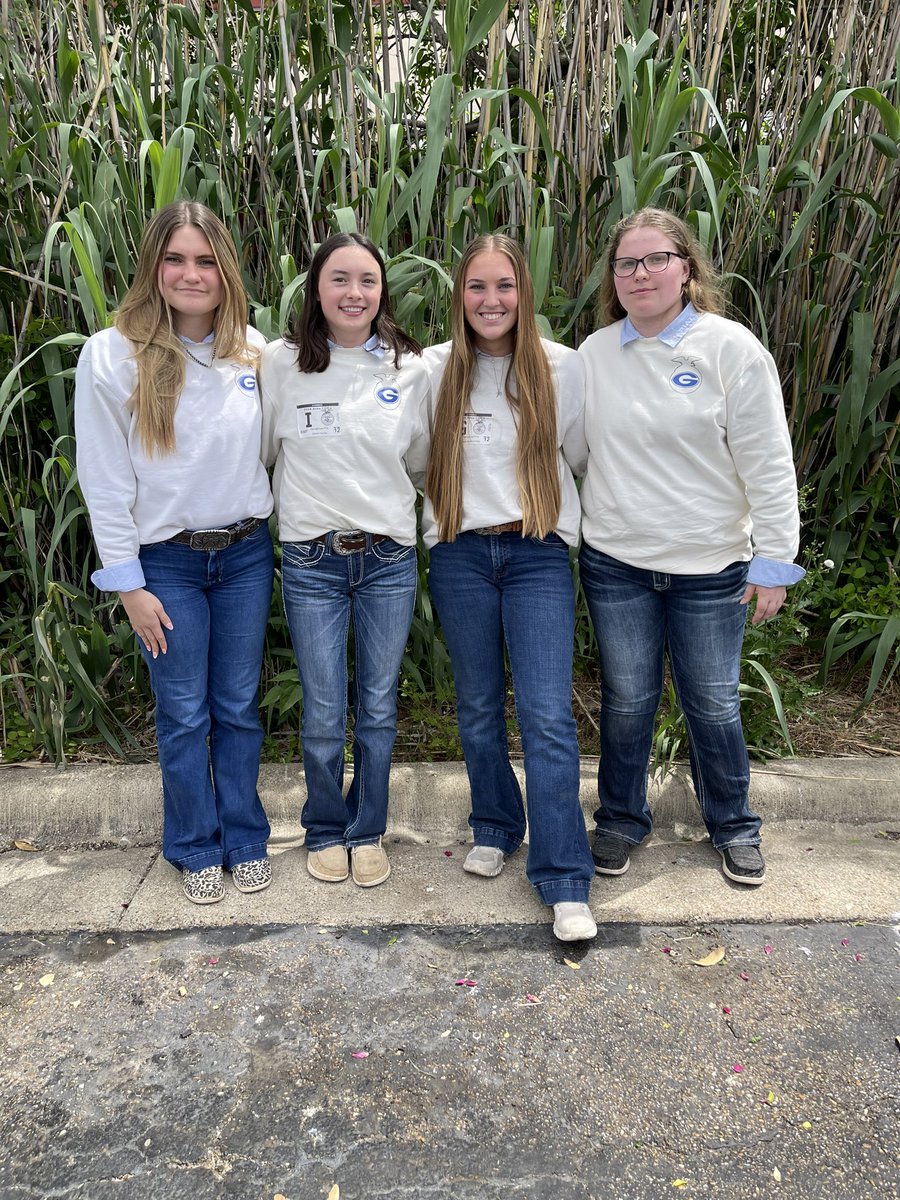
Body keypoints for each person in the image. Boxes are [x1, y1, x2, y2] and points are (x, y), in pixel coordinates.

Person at [578, 206, 805, 887]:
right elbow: (573, 452)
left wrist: (774, 561)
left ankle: (733, 824)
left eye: (656, 260)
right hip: (617, 564)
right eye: (626, 263)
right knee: (628, 699)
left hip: (710, 569)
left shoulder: (729, 350)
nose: (640, 274)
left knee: (711, 702)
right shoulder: (595, 354)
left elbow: (768, 460)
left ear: (687, 268)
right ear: (612, 278)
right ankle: (619, 819)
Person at [75, 201, 275, 904]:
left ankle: (245, 834)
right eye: (176, 259)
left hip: (247, 555)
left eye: (205, 260)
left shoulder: (251, 349)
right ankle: (193, 843)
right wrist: (129, 584)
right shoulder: (111, 354)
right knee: (185, 710)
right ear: (153, 267)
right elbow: (102, 479)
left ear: (225, 269)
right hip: (168, 564)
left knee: (238, 706)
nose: (191, 274)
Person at [424, 234, 597, 942]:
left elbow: (579, 453)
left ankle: (563, 879)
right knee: (476, 704)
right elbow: (411, 457)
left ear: (525, 293)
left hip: (535, 553)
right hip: (461, 554)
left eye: (504, 287)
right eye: (477, 287)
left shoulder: (561, 367)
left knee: (548, 713)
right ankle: (495, 823)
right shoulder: (435, 369)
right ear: (458, 296)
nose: (490, 301)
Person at [259, 232, 430, 889]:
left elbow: (418, 465)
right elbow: (262, 455)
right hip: (311, 561)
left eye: (366, 280)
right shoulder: (280, 365)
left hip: (387, 559)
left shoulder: (407, 368)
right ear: (316, 288)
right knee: (326, 709)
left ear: (381, 290)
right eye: (339, 279)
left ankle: (368, 830)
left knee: (379, 706)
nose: (353, 293)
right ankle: (326, 827)